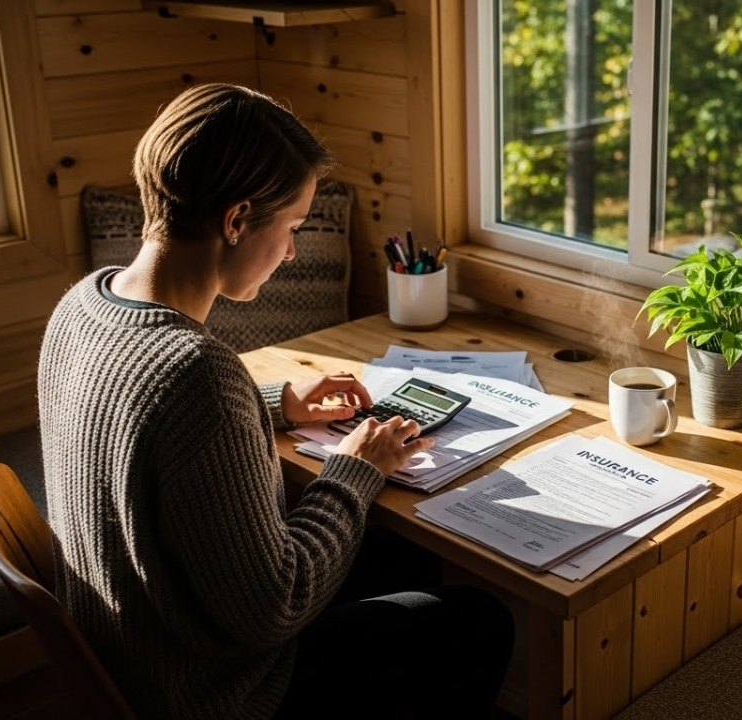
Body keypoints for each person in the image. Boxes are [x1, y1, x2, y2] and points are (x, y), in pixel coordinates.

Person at [38, 83, 514, 719]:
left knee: (400, 555)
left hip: (133, 650)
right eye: (291, 226)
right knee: (478, 619)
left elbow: (139, 422)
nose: (291, 250)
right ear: (235, 220)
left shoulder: (81, 305)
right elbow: (275, 605)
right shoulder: (197, 373)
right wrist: (355, 470)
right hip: (212, 693)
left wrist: (273, 403)